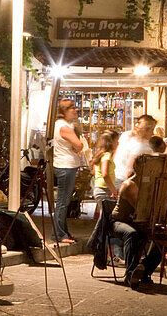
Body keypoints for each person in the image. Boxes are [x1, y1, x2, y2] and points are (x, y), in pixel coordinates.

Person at [107, 170, 163, 288]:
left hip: (136, 222)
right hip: (118, 222)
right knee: (131, 234)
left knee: (162, 238)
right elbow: (140, 208)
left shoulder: (146, 185)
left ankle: (143, 271)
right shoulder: (129, 185)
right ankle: (130, 273)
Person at [52, 99, 86, 244]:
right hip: (66, 166)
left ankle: (63, 232)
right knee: (62, 202)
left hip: (65, 165)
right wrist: (77, 145)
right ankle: (59, 234)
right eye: (72, 109)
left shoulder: (60, 125)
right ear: (65, 111)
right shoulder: (64, 127)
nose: (76, 111)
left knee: (64, 201)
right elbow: (79, 145)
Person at [116, 114, 157, 184]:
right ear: (146, 130)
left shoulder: (125, 135)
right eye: (152, 130)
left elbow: (115, 155)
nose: (153, 133)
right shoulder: (143, 146)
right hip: (124, 182)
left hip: (115, 177)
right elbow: (130, 170)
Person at [90, 131, 120, 202]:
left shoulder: (100, 155)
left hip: (99, 188)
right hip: (105, 190)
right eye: (116, 141)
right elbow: (105, 174)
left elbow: (95, 172)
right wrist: (114, 191)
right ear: (111, 142)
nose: (118, 143)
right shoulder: (107, 156)